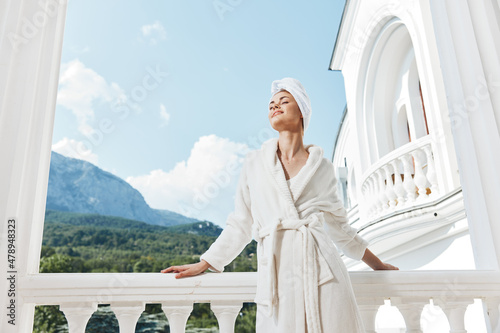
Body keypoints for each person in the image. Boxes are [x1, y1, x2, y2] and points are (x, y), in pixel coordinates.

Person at [161, 77, 399, 332]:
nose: (275, 106)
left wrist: (379, 265)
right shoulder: (254, 164)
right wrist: (205, 262)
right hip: (277, 280)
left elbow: (340, 228)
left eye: (284, 101)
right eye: (271, 104)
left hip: (325, 277)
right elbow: (241, 224)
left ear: (302, 113)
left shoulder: (322, 168)